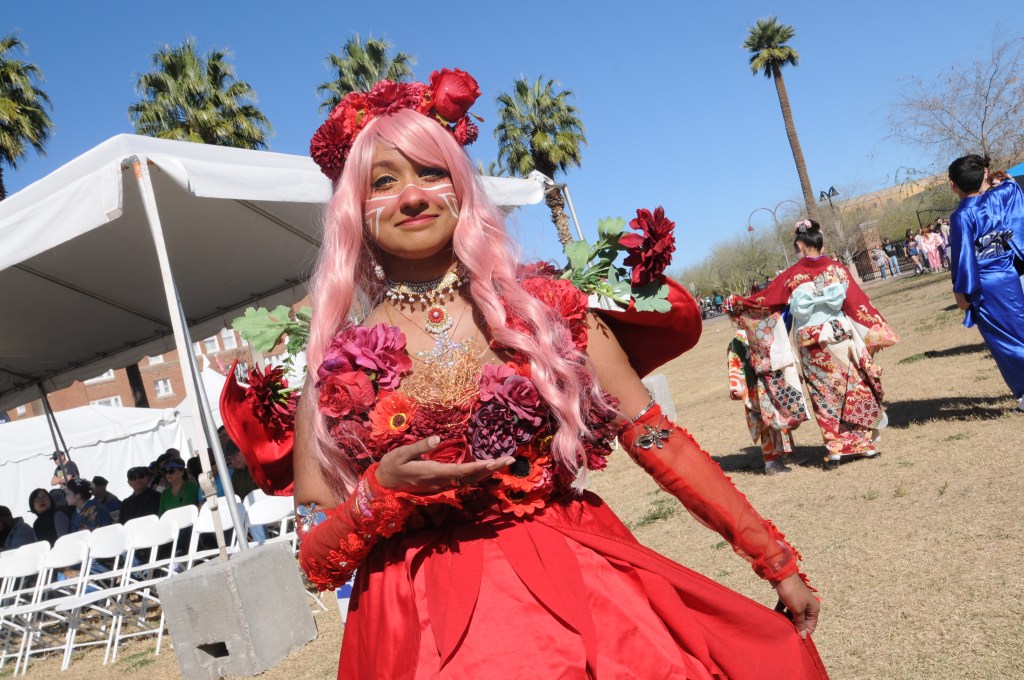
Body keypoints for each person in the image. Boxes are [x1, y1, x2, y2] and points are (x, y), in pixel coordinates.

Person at [286, 70, 827, 678]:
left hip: (584, 589)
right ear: (354, 209)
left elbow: (657, 440)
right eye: (384, 181)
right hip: (423, 628)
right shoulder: (334, 365)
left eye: (431, 172)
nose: (412, 195)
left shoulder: (548, 313)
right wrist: (378, 493)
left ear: (460, 187)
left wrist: (773, 558)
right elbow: (314, 560)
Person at [729, 220, 899, 469]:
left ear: (799, 244)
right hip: (839, 336)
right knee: (853, 386)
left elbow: (764, 301)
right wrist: (877, 332)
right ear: (821, 242)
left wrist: (739, 304)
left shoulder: (791, 275)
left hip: (810, 342)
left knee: (823, 394)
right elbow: (857, 303)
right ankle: (864, 445)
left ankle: (836, 449)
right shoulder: (837, 269)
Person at [947, 154, 1024, 412]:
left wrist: (961, 291)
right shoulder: (997, 198)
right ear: (984, 175)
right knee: (1019, 331)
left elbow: (964, 257)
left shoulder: (961, 217)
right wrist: (993, 179)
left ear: (953, 185)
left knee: (1004, 341)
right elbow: (1011, 186)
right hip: (1008, 275)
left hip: (985, 284)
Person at [726, 326, 805, 475]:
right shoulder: (737, 341)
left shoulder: (764, 332)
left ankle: (788, 453)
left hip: (773, 382)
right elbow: (735, 365)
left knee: (782, 416)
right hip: (755, 387)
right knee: (765, 423)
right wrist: (736, 386)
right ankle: (772, 462)